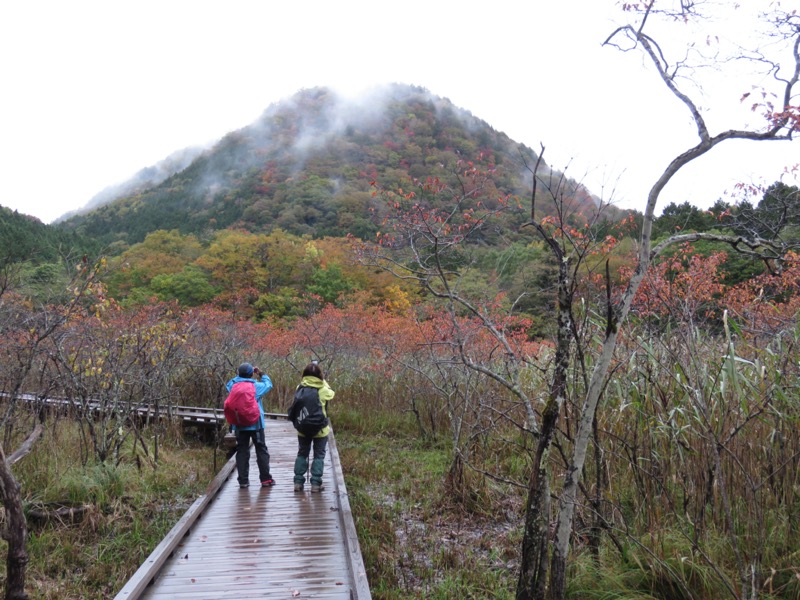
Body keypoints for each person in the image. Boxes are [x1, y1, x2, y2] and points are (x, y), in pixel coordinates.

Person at [226, 362, 275, 488]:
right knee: (261, 449)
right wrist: (260, 373)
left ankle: (243, 481)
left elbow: (229, 384)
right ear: (251, 374)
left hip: (239, 424)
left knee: (242, 450)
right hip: (256, 424)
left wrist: (239, 376)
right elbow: (269, 384)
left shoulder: (233, 386)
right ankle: (265, 479)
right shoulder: (256, 387)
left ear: (239, 374)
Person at [291, 362, 335, 493]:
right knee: (319, 455)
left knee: (302, 453)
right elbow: (332, 393)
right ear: (320, 375)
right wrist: (324, 381)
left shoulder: (300, 387)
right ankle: (316, 485)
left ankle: (298, 483)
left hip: (303, 428)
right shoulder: (324, 390)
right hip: (320, 430)